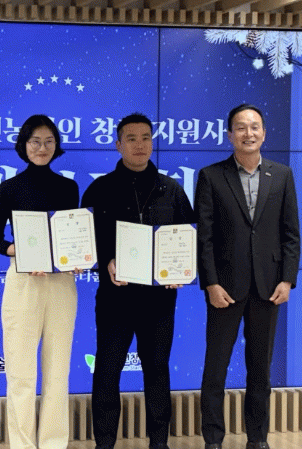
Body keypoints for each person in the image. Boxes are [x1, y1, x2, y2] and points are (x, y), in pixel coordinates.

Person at [81, 113, 195, 449]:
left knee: (157, 370)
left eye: (146, 137)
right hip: (115, 299)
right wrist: (106, 262)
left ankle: (159, 443)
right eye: (131, 138)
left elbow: (188, 237)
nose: (140, 145)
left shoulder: (170, 189)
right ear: (118, 145)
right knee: (107, 370)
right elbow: (85, 244)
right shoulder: (100, 190)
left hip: (159, 301)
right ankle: (104, 443)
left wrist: (181, 269)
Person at [195, 104, 300, 449]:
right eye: (241, 128)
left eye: (254, 127)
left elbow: (291, 234)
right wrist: (211, 283)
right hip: (224, 288)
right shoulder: (211, 176)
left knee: (260, 371)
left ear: (264, 133)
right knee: (215, 370)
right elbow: (204, 237)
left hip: (269, 288)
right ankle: (213, 439)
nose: (248, 133)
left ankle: (257, 439)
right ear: (230, 135)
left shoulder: (281, 175)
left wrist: (287, 279)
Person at [0, 114, 80, 449]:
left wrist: (76, 257)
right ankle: (23, 444)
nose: (42, 148)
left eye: (49, 141)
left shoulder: (69, 187)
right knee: (21, 371)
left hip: (61, 284)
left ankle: (54, 442)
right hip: (24, 282)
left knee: (58, 371)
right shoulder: (10, 188)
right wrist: (23, 252)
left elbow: (71, 235)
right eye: (36, 141)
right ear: (24, 145)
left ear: (57, 146)